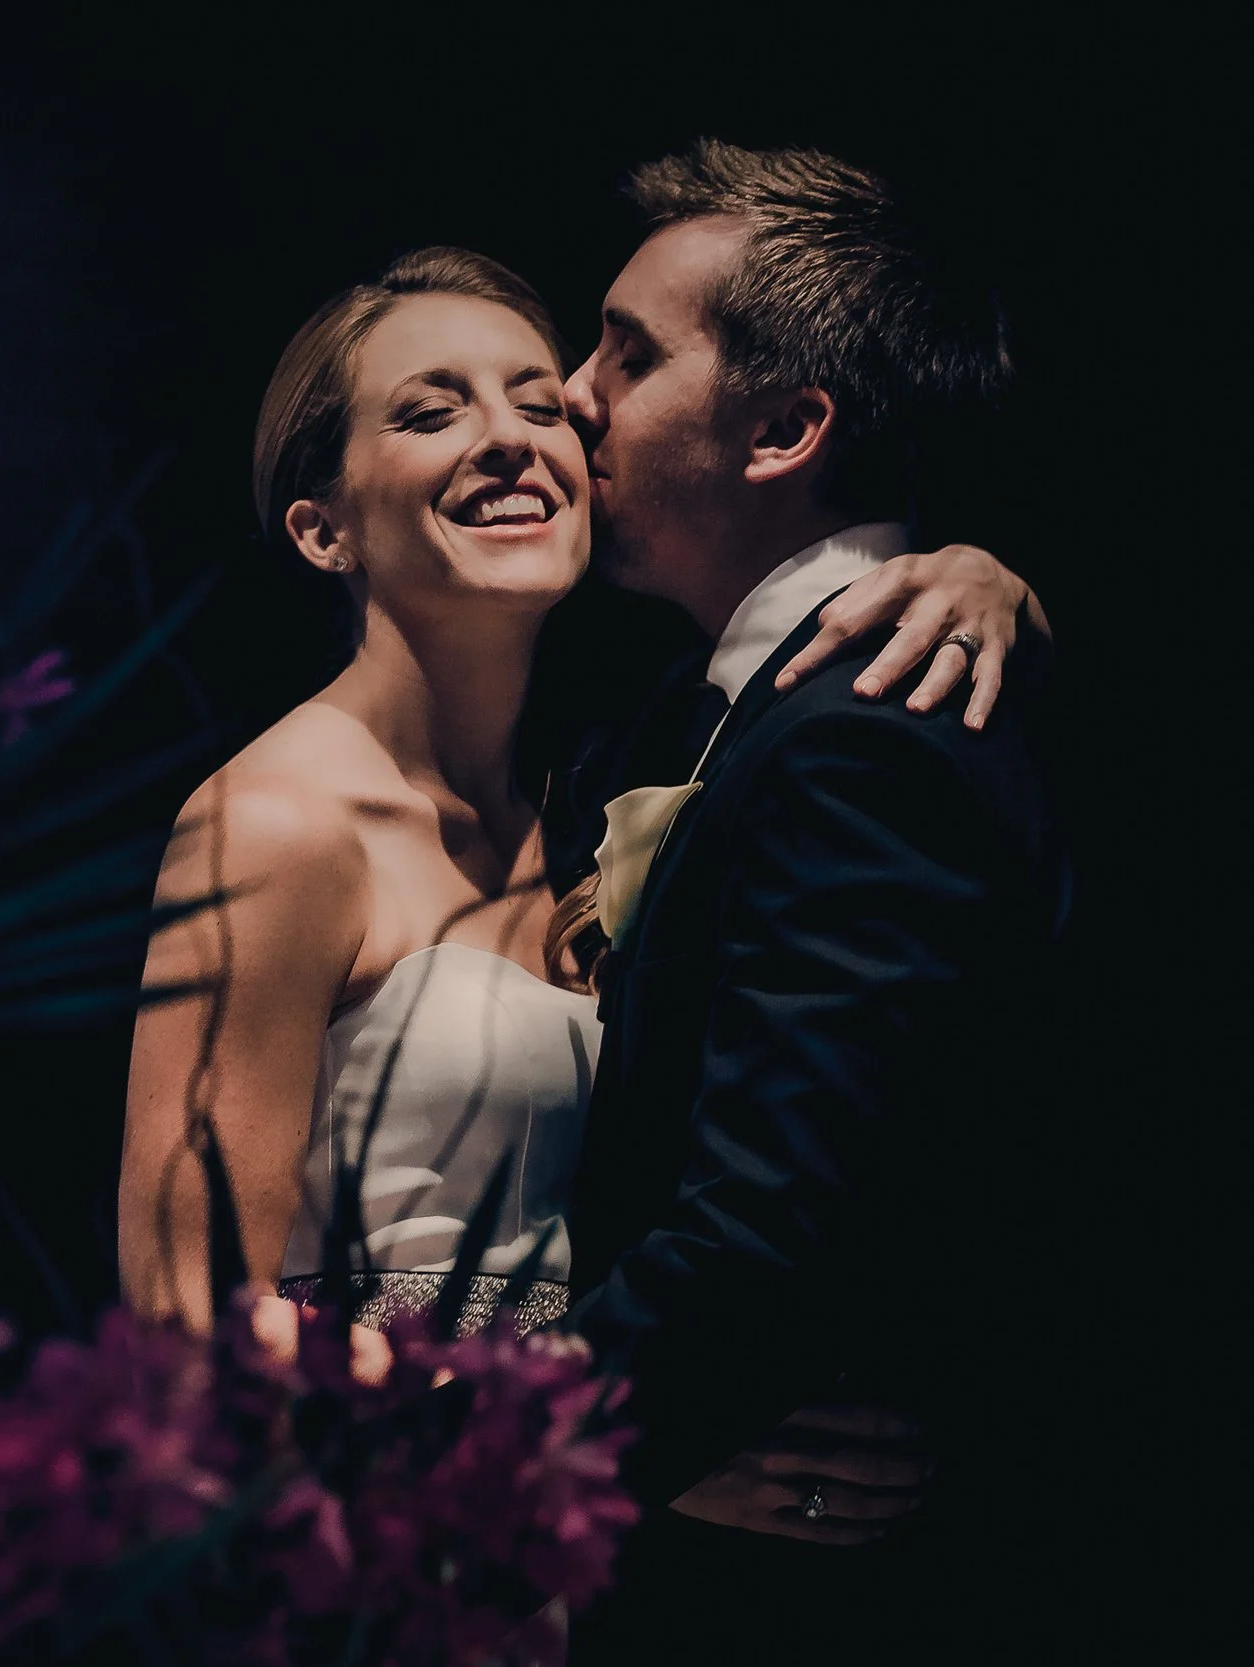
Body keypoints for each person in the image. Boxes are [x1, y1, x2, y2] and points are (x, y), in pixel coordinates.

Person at [116, 239, 1041, 1519]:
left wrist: (983, 577)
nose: (512, 437)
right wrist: (572, 1452)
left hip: (575, 1529)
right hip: (381, 1520)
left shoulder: (612, 775)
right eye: (432, 410)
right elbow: (190, 1315)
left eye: (538, 403)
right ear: (324, 527)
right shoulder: (275, 819)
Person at [550, 141, 1065, 1664]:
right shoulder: (717, 707)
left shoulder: (855, 735)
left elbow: (764, 1240)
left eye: (628, 354)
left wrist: (475, 1475)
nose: (573, 393)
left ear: (784, 428)